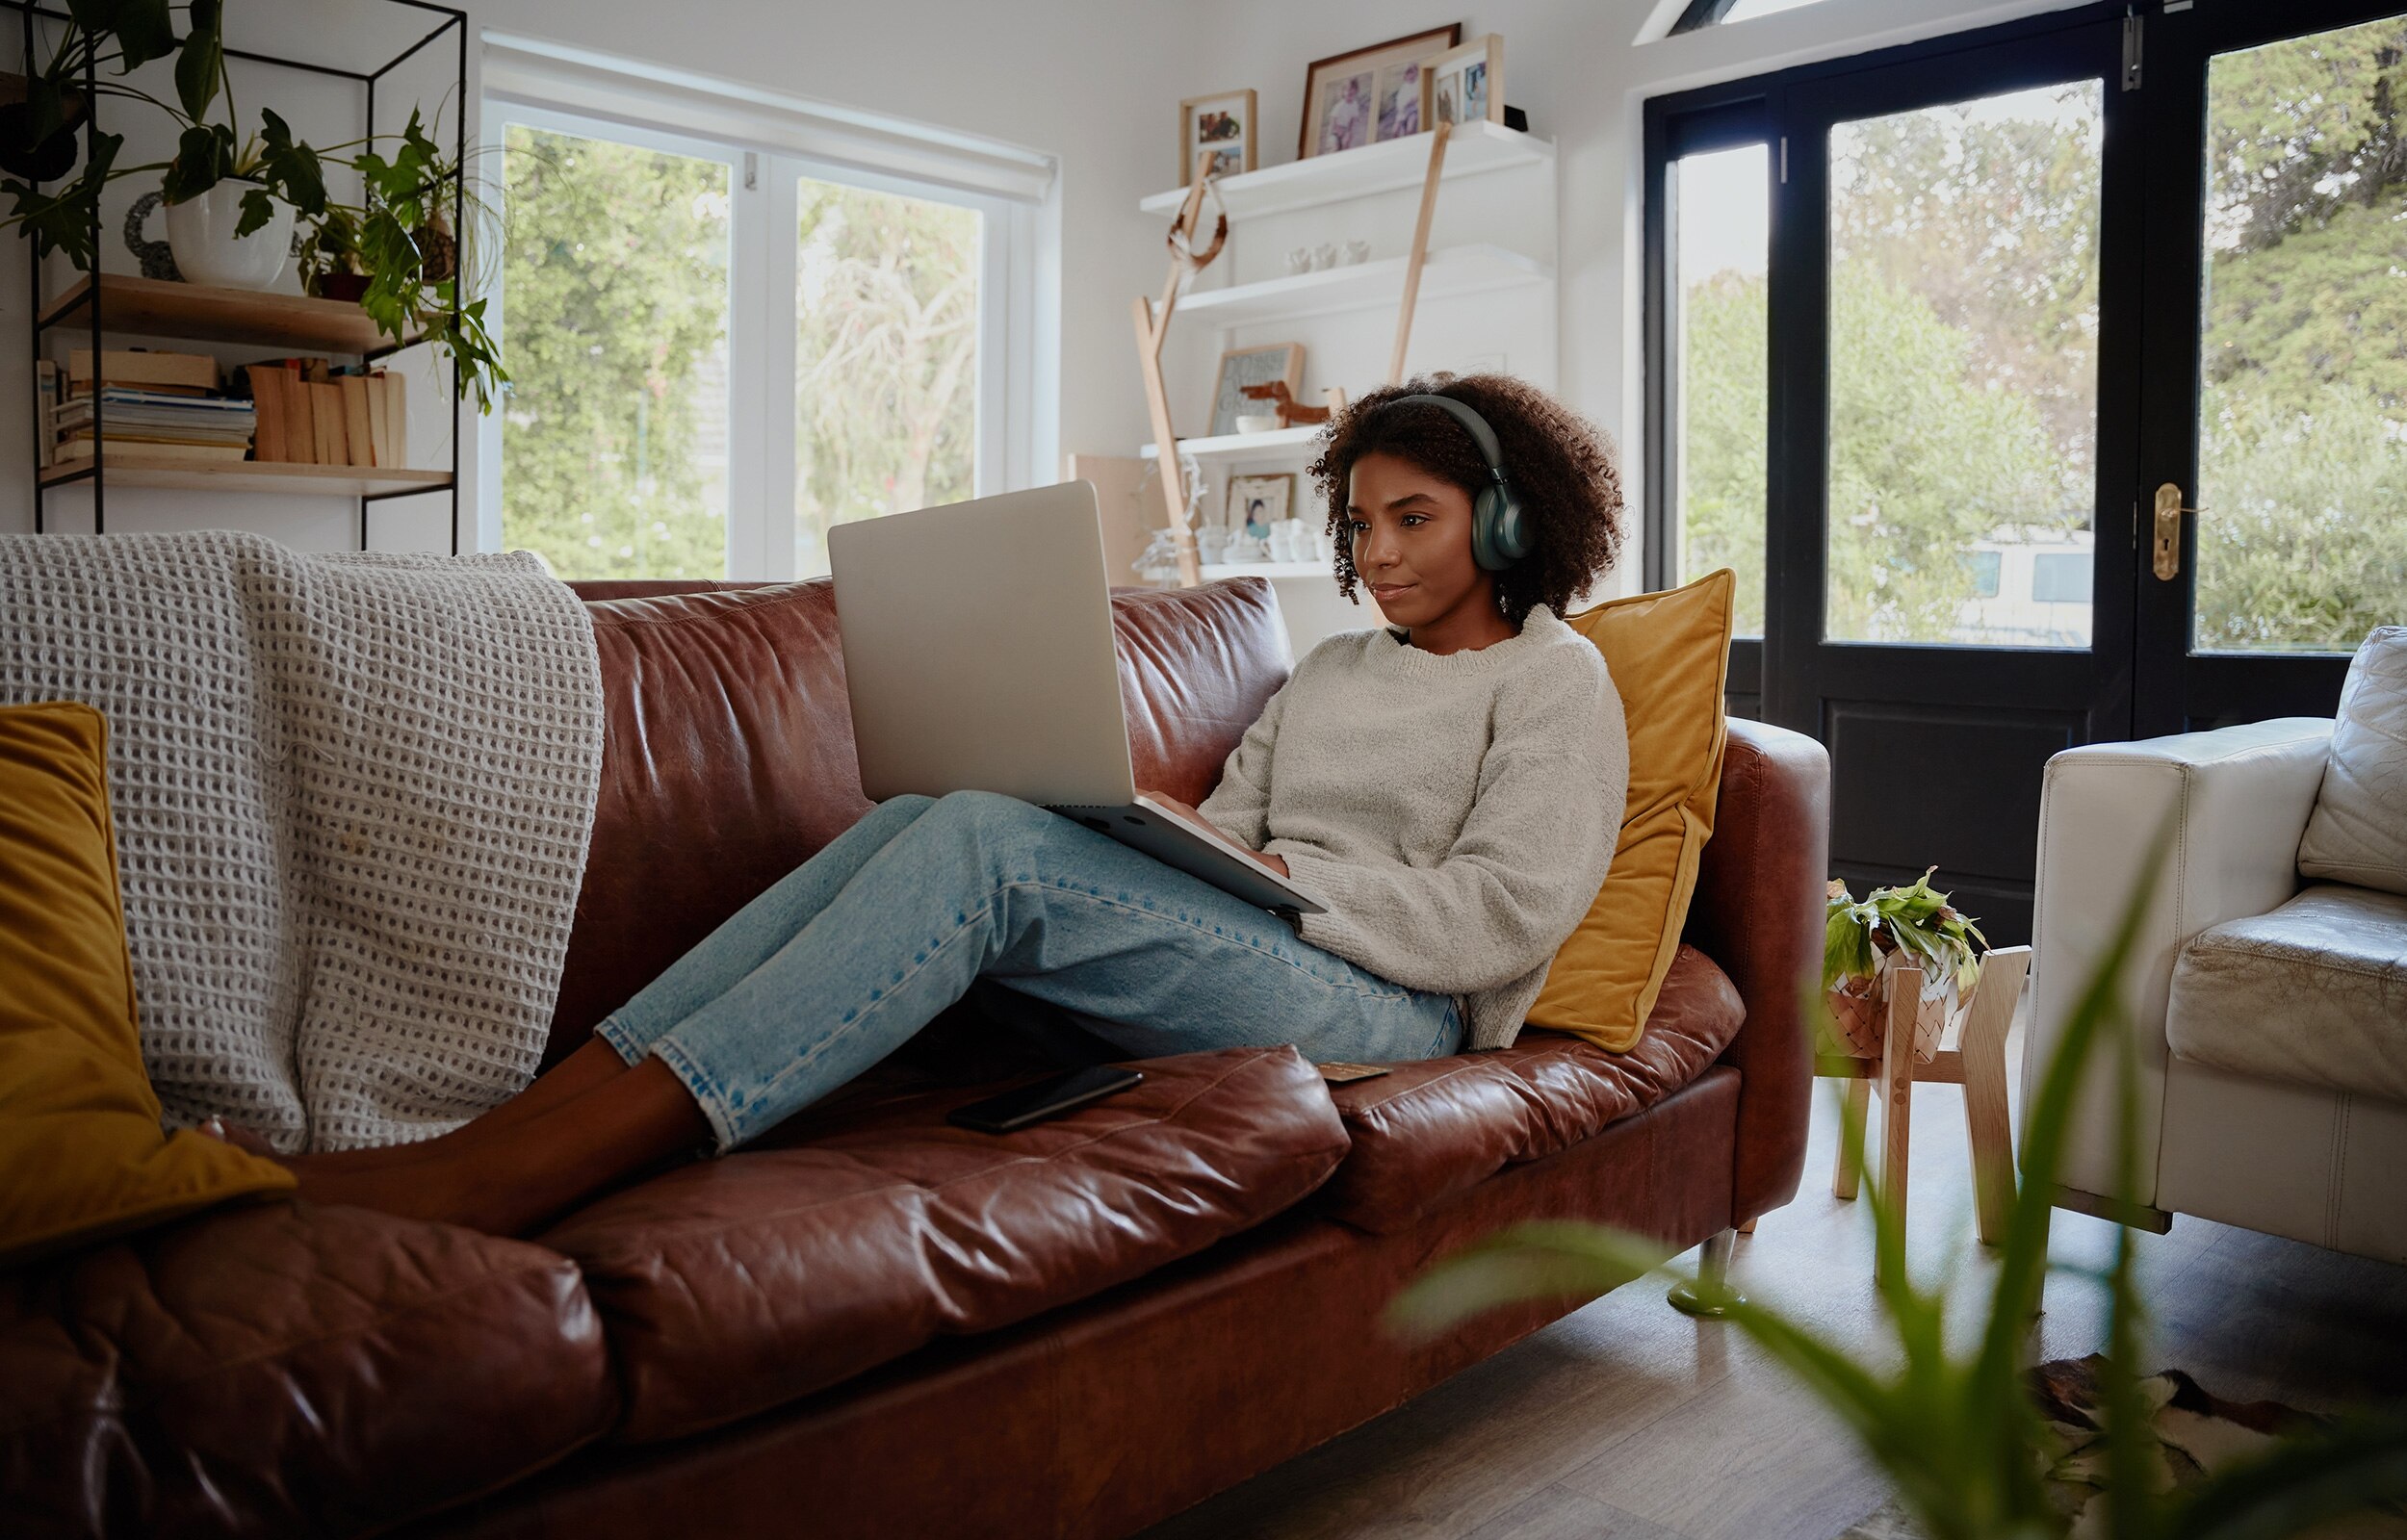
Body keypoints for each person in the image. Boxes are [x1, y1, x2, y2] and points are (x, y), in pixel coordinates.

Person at [252, 373, 1630, 1236]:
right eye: (1364, 524)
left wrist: (1291, 883)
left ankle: (514, 1182)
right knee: (940, 810)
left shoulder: (1554, 682)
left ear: (1504, 525)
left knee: (983, 847)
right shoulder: (1331, 665)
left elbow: (1498, 921)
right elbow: (1238, 807)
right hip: (1266, 939)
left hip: (1399, 1007)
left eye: (1416, 520)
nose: (1376, 554)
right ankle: (497, 1133)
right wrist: (1170, 830)